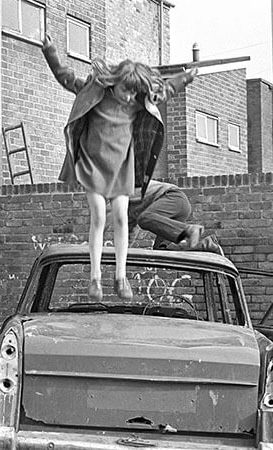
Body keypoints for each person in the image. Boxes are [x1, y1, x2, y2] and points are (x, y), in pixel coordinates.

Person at [42, 34, 197, 301]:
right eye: (125, 90)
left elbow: (165, 91)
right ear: (114, 83)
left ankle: (121, 277)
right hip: (93, 165)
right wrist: (51, 54)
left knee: (122, 218)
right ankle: (95, 279)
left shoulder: (137, 102)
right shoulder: (94, 92)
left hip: (123, 167)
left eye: (133, 93)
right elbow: (67, 78)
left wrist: (186, 78)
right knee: (100, 216)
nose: (128, 97)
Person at [127, 180, 223, 254]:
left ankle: (189, 231)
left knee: (144, 219)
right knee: (161, 250)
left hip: (173, 197)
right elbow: (130, 232)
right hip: (177, 207)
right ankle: (205, 244)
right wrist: (123, 256)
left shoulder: (120, 191)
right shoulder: (129, 209)